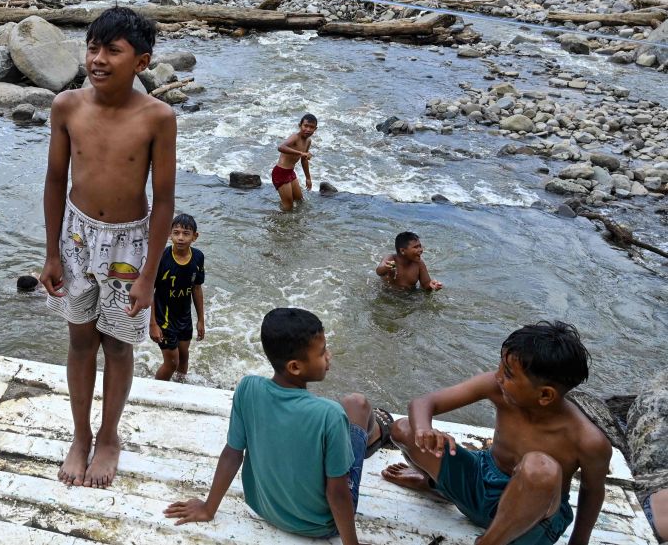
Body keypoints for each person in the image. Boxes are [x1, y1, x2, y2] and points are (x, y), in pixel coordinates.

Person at [41, 5, 177, 489]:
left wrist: (149, 275)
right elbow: (56, 180)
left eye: (112, 51)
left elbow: (163, 202)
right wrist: (52, 252)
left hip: (130, 243)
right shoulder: (68, 106)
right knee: (80, 342)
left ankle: (109, 436)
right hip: (76, 238)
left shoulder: (158, 117)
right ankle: (80, 436)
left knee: (119, 345)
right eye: (92, 48)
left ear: (141, 62)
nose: (98, 59)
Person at [165, 308, 391, 545]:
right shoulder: (330, 415)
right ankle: (379, 429)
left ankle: (374, 432)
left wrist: (208, 508)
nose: (329, 356)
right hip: (321, 526)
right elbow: (337, 492)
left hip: (265, 508)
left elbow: (232, 453)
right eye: (322, 352)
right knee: (357, 404)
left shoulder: (247, 388)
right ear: (295, 367)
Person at [382, 321, 612, 545]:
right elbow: (424, 403)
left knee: (540, 468)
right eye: (501, 365)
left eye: (509, 374)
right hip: (482, 482)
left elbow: (592, 492)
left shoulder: (588, 440)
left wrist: (579, 541)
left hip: (531, 521)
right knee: (404, 429)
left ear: (545, 395)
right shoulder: (497, 388)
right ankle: (436, 487)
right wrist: (426, 431)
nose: (498, 376)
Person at [151, 212, 205, 382]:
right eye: (176, 233)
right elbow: (149, 291)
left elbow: (196, 288)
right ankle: (156, 392)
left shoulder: (198, 257)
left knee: (183, 358)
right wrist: (152, 324)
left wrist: (201, 319)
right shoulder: (161, 258)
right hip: (164, 318)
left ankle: (180, 388)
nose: (180, 238)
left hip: (184, 317)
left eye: (186, 234)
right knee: (171, 363)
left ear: (194, 237)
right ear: (169, 234)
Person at [273, 113, 317, 212]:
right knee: (288, 207)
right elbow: (281, 147)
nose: (308, 129)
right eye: (306, 126)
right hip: (280, 172)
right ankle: (278, 223)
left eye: (312, 127)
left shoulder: (308, 141)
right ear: (300, 125)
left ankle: (295, 224)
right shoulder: (295, 137)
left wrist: (308, 178)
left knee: (299, 201)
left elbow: (304, 160)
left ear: (315, 129)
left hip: (290, 173)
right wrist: (301, 153)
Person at [376, 231, 443, 291]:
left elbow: (425, 284)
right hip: (388, 292)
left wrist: (431, 285)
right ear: (402, 251)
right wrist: (386, 267)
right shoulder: (391, 259)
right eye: (416, 247)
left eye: (420, 246)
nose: (420, 250)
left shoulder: (419, 264)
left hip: (408, 295)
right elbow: (378, 271)